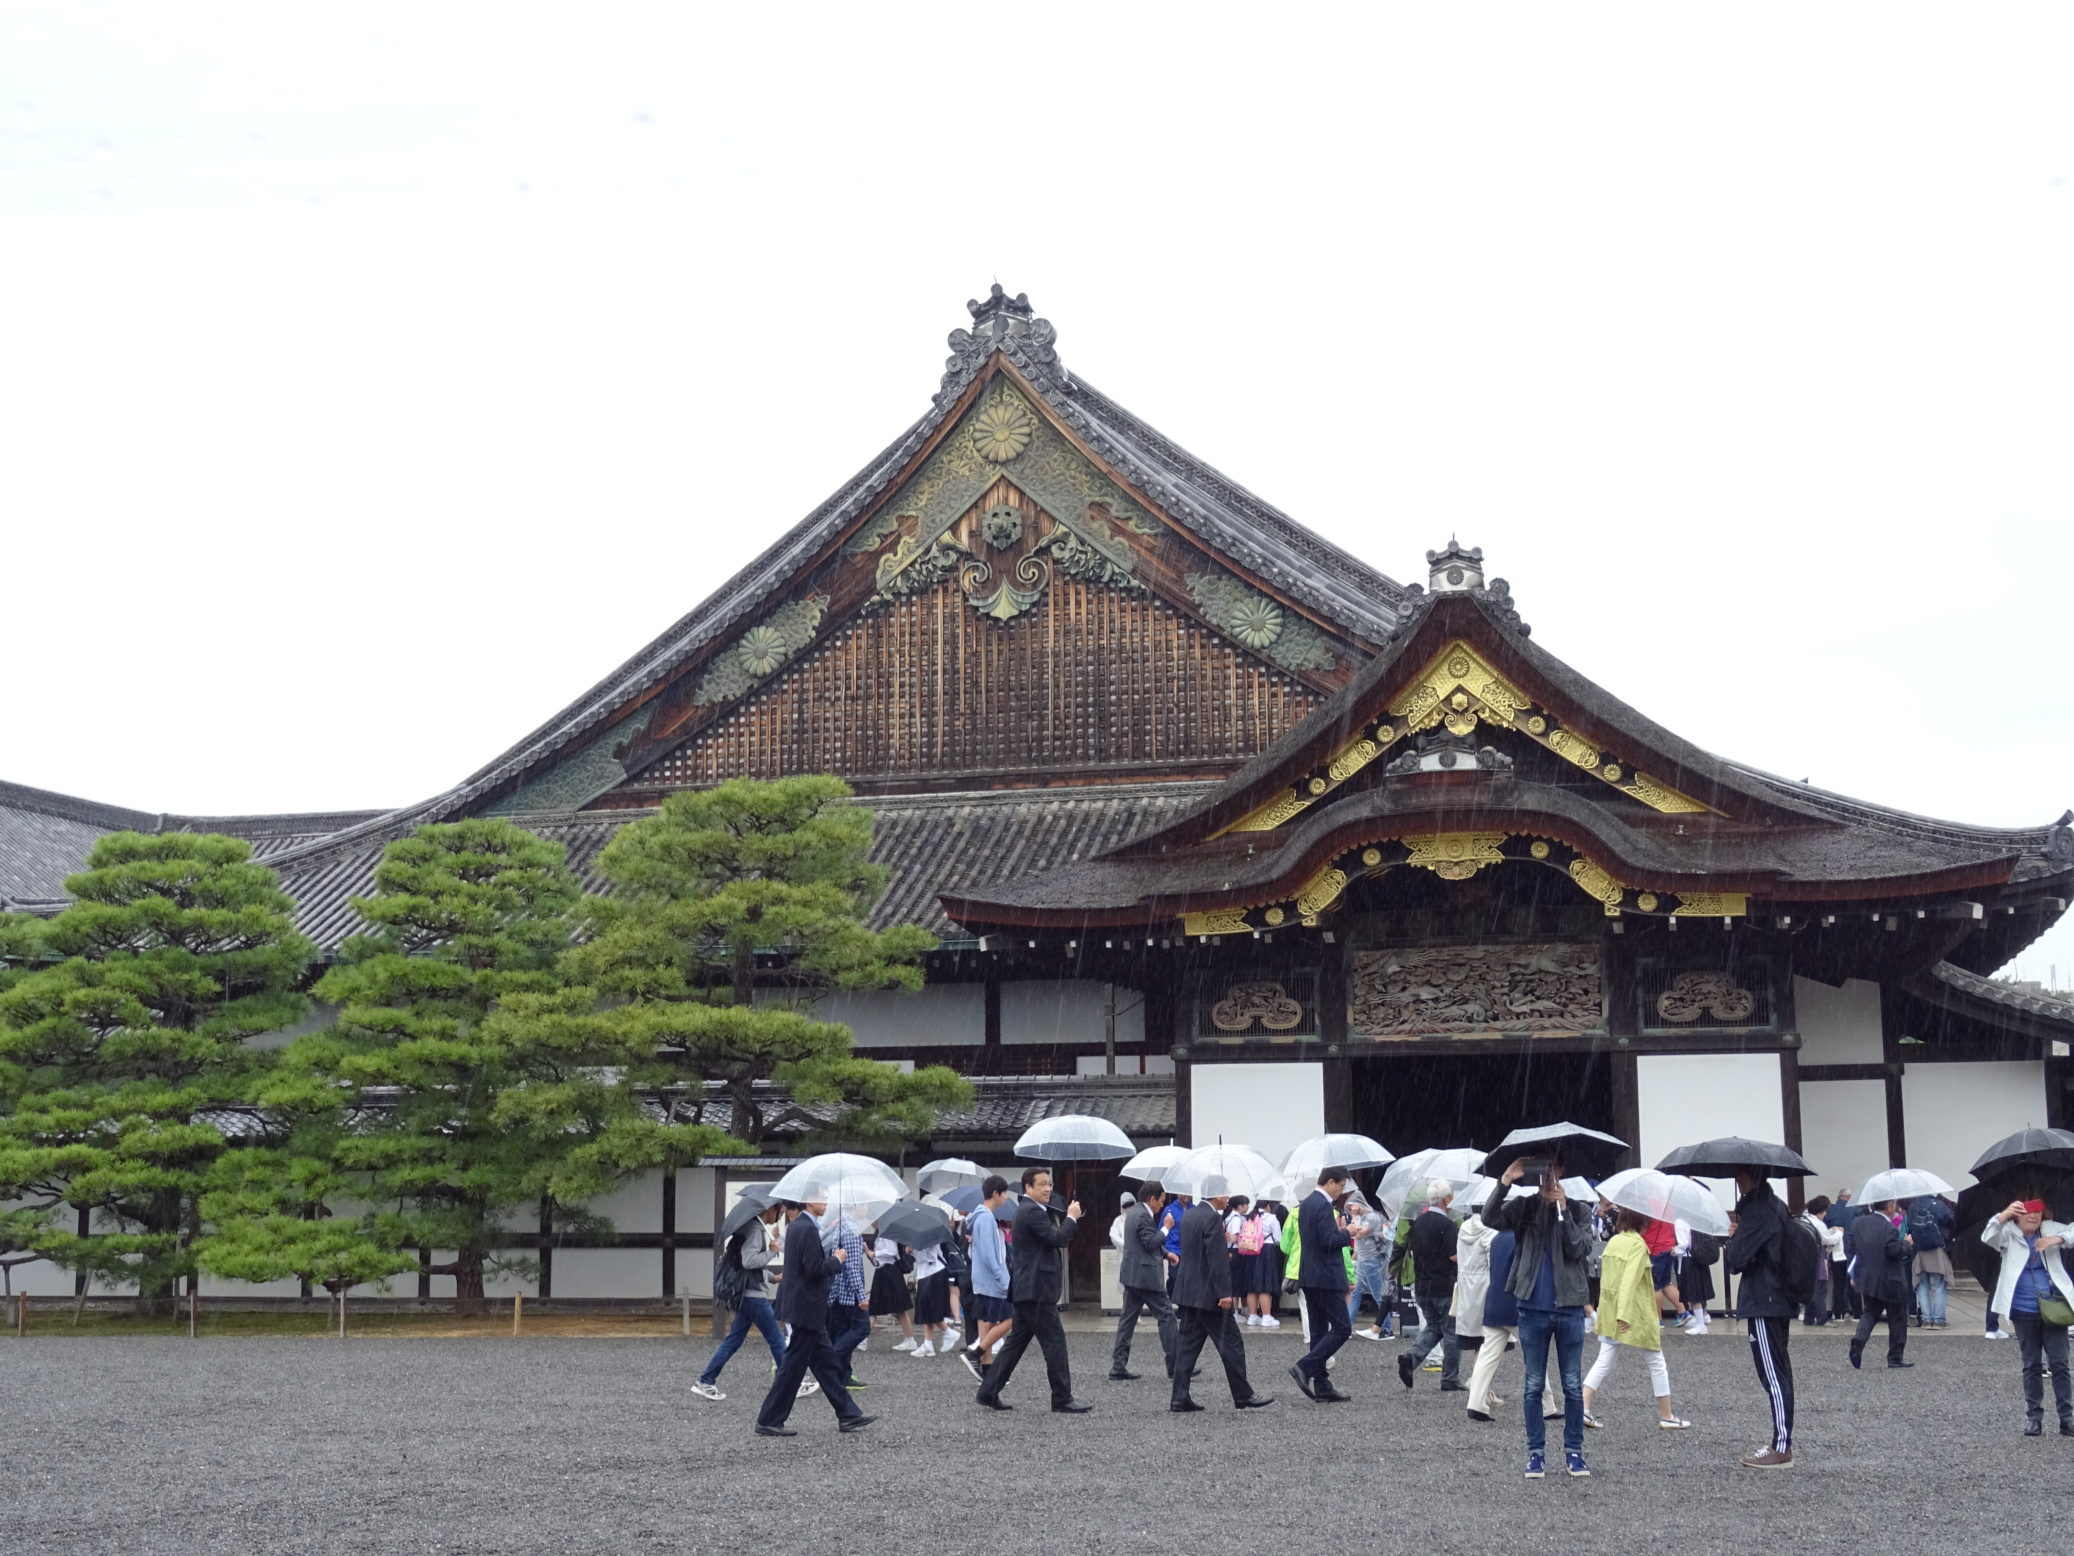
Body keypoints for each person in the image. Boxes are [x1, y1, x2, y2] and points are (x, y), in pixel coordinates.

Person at [1489, 1158, 1596, 1478]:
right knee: (1533, 1385)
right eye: (1541, 1170)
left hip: (1570, 1307)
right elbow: (1490, 1218)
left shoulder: (1579, 1210)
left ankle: (1574, 1452)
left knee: (1572, 1385)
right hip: (1532, 1308)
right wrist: (1506, 1179)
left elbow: (1580, 1249)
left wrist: (1563, 1211)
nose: (1547, 1176)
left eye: (1552, 1169)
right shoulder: (1524, 1207)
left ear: (1562, 1171)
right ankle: (1535, 1454)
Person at [753, 1198, 873, 1437]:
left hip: (806, 1306)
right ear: (809, 1202)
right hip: (806, 1306)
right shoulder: (806, 1228)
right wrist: (837, 1260)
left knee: (826, 1364)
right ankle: (769, 1419)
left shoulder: (798, 1226)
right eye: (821, 1198)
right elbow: (813, 1268)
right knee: (793, 1366)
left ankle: (848, 1413)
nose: (825, 1202)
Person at [975, 1167, 1089, 1414]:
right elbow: (1056, 1238)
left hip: (1028, 1288)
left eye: (1050, 1184)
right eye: (1042, 1184)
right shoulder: (1031, 1211)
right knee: (1054, 1342)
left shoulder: (1029, 1210)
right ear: (1028, 1187)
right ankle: (1062, 1397)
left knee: (1015, 1344)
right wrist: (1071, 1218)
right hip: (1036, 1289)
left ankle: (988, 1391)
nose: (1048, 1189)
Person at [1170, 1175, 1275, 1413]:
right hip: (1209, 1294)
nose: (1228, 1198)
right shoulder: (1211, 1218)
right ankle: (1243, 1395)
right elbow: (1215, 1259)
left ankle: (1179, 1397)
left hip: (1189, 1291)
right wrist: (1225, 1293)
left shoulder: (1190, 1215)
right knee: (1232, 1343)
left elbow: (1195, 1253)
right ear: (1217, 1194)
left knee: (1187, 1346)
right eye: (1226, 1193)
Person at [1582, 1208, 1690, 1430]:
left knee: (1603, 1361)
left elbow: (1608, 1281)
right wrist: (1623, 1313)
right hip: (1635, 1313)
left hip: (1610, 1312)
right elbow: (1629, 1281)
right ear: (1643, 1222)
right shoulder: (1638, 1246)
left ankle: (1582, 1407)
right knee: (1656, 1362)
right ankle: (1667, 1415)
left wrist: (1611, 1311)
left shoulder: (1614, 1242)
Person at [1982, 1199, 2074, 1436]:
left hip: (2053, 1307)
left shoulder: (2050, 1228)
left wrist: (2058, 1239)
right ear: (2017, 1215)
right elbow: (1988, 1237)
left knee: (2060, 1363)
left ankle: (2066, 1417)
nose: (2033, 1217)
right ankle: (2034, 1417)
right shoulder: (2008, 1233)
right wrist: (2003, 1215)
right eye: (2027, 1212)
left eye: (2037, 1212)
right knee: (2031, 1364)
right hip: (2023, 1308)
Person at [1724, 1168, 1795, 1468]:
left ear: (1750, 1176)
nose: (1737, 1181)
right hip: (1779, 1297)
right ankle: (1782, 1441)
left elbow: (1735, 1260)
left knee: (1773, 1376)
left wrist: (1735, 1236)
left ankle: (1781, 1447)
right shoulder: (1777, 1205)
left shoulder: (1758, 1212)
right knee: (1780, 1372)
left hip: (1764, 1298)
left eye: (1740, 1175)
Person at [694, 1203, 800, 1402]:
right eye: (779, 1213)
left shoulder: (750, 1228)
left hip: (745, 1293)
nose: (779, 1218)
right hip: (753, 1296)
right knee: (776, 1337)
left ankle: (706, 1380)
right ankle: (792, 1383)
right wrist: (772, 1251)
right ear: (769, 1209)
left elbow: (745, 1266)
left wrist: (771, 1277)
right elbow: (749, 1261)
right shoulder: (755, 1230)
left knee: (734, 1340)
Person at [1466, 1223, 1561, 1424]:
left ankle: (1475, 1403)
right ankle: (1547, 1406)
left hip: (1494, 1301)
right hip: (1517, 1304)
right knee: (1535, 1356)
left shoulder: (1496, 1239)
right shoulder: (1523, 1238)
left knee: (1487, 1356)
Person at [1290, 1166, 1356, 1402]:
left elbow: (1317, 1238)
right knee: (1342, 1328)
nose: (1341, 1191)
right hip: (1326, 1276)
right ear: (1330, 1182)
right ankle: (1304, 1367)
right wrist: (1347, 1233)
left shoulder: (1307, 1203)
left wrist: (1338, 1231)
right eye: (1341, 1186)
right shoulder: (1323, 1205)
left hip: (1310, 1274)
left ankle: (1322, 1384)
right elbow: (1328, 1241)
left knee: (1318, 1332)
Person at [1398, 1180, 1464, 1393]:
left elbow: (1411, 1251)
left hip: (1422, 1283)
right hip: (1444, 1284)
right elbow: (1453, 1256)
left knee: (1434, 1327)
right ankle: (1450, 1378)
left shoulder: (1418, 1222)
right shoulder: (1447, 1225)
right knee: (1451, 1331)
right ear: (1446, 1199)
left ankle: (1411, 1359)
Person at [1112, 1181, 1179, 1381]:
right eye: (1161, 1200)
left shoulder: (1134, 1212)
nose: (1162, 1205)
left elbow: (1142, 1242)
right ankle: (1176, 1366)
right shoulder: (1143, 1215)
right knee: (1167, 1317)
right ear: (1152, 1199)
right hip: (1147, 1277)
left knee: (1127, 1321)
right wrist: (1166, 1228)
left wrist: (1166, 1254)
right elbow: (1150, 1242)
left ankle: (1118, 1366)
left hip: (1132, 1275)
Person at [959, 1175, 1015, 1382]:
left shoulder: (981, 1217)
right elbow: (989, 1255)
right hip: (992, 1282)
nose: (1006, 1198)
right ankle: (975, 1353)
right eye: (1004, 1193)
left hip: (984, 1281)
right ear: (996, 1194)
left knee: (987, 1323)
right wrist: (1003, 1280)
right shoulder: (986, 1218)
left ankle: (987, 1370)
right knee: (1012, 1318)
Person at [1848, 1198, 1913, 1370]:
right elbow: (1894, 1251)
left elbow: (1851, 1250)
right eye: (1894, 1204)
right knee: (1897, 1317)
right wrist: (1906, 1244)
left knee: (1870, 1313)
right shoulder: (1888, 1227)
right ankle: (1895, 1357)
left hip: (1868, 1277)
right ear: (1889, 1205)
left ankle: (1858, 1341)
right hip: (1891, 1278)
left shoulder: (1858, 1223)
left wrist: (1854, 1273)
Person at [824, 1205, 869, 1389]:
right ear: (855, 1206)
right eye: (864, 1205)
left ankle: (843, 1375)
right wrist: (861, 1296)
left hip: (836, 1290)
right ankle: (830, 1361)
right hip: (848, 1292)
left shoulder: (839, 1225)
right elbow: (851, 1267)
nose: (867, 1209)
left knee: (842, 1331)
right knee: (861, 1328)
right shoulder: (850, 1230)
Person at [1348, 1193, 1393, 1339]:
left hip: (1372, 1260)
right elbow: (1355, 1236)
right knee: (1356, 1292)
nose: (1351, 1209)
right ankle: (1346, 1327)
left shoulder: (1372, 1217)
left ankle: (1387, 1329)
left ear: (1359, 1204)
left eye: (1352, 1206)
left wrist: (1354, 1219)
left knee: (1378, 1294)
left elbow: (1359, 1234)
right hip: (1363, 1259)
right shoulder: (1361, 1217)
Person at [1908, 1195, 1956, 1329]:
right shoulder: (1938, 1204)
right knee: (1939, 1285)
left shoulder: (1913, 1206)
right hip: (1937, 1248)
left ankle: (1926, 1320)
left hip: (1919, 1249)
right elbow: (1951, 1220)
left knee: (1922, 1285)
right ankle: (1939, 1320)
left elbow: (1909, 1225)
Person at [909, 1236, 955, 1359]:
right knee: (927, 1311)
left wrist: (914, 1249)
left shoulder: (930, 1235)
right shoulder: (921, 1235)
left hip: (933, 1273)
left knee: (929, 1310)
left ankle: (948, 1333)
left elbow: (930, 1257)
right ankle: (928, 1344)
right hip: (925, 1273)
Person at [869, 1234, 917, 1350]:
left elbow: (892, 1251)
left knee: (899, 1308)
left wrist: (875, 1253)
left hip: (890, 1270)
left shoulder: (887, 1233)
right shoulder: (880, 1233)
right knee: (874, 1308)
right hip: (882, 1270)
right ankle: (862, 1339)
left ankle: (910, 1339)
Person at [1799, 1197, 1838, 1326]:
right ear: (1820, 1210)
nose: (1826, 1214)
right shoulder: (1819, 1224)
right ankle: (1822, 1319)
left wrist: (1831, 1231)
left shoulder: (1804, 1219)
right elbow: (1827, 1240)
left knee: (1810, 1289)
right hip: (1818, 1258)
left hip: (1805, 1258)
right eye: (1825, 1211)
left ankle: (1808, 1318)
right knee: (1820, 1289)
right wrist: (1838, 1234)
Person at [1824, 1192, 1862, 1320]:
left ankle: (1838, 1314)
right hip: (1852, 1252)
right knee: (1853, 1282)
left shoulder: (1829, 1211)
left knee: (1838, 1284)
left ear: (1838, 1197)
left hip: (1836, 1253)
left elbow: (1826, 1232)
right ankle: (1856, 1313)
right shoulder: (1856, 1210)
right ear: (1849, 1197)